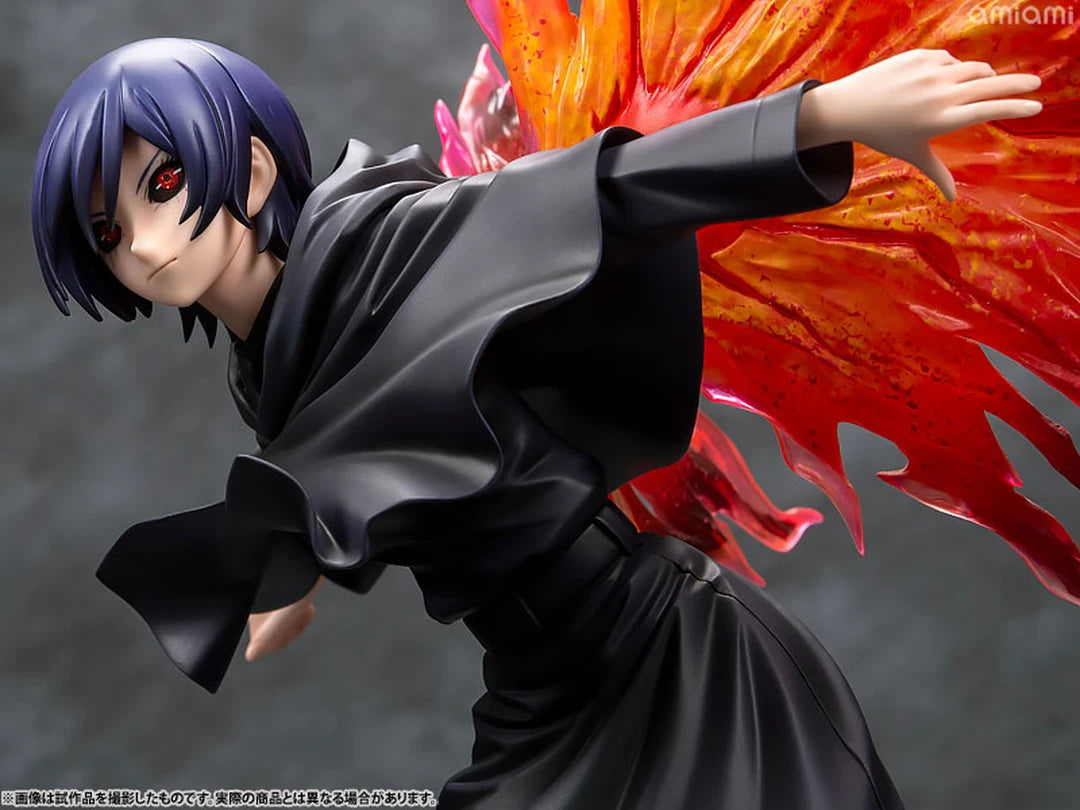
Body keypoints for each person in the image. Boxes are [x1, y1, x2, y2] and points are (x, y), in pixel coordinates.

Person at [32, 37, 1044, 809]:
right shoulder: (266, 367)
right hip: (540, 690)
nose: (147, 245)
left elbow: (613, 193)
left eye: (165, 185)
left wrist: (828, 114)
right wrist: (299, 567)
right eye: (110, 231)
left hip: (672, 660)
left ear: (250, 170)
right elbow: (359, 452)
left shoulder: (402, 245)